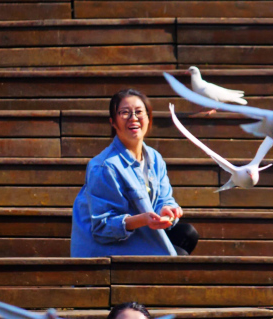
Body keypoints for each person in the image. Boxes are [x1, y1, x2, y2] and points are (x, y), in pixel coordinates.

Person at [71, 89, 198, 257]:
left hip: (141, 230)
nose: (133, 117)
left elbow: (163, 199)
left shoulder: (154, 157)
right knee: (178, 257)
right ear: (113, 122)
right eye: (125, 112)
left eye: (139, 112)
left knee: (187, 233)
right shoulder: (104, 167)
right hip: (105, 244)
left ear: (148, 118)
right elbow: (102, 228)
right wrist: (143, 220)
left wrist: (167, 210)